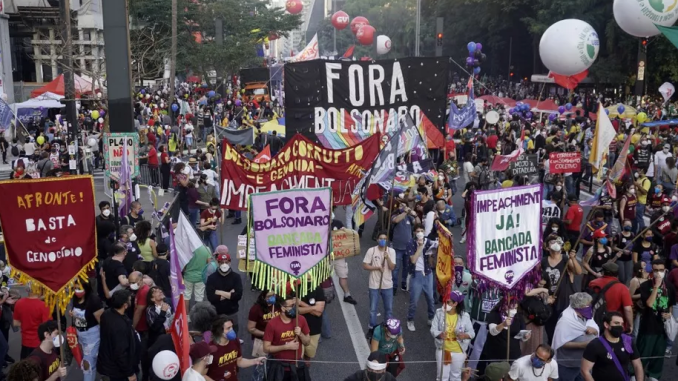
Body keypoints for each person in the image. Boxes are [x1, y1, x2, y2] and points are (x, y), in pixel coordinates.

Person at [637, 259, 675, 380]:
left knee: (658, 359)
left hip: (662, 330)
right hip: (647, 328)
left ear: (665, 270)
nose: (659, 273)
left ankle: (654, 377)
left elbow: (670, 305)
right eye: (656, 270)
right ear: (651, 271)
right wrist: (656, 287)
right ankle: (634, 376)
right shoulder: (645, 286)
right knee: (642, 357)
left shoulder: (670, 287)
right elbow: (649, 303)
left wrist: (669, 315)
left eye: (661, 270)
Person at [541, 234, 582, 343]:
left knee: (563, 329)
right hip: (550, 300)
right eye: (552, 242)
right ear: (547, 247)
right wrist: (544, 294)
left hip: (564, 300)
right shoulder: (543, 261)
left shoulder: (565, 259)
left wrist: (573, 259)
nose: (555, 244)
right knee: (550, 329)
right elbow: (538, 281)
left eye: (557, 241)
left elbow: (578, 272)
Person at [581, 312, 644, 381]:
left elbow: (637, 365)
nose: (620, 326)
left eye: (621, 324)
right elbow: (585, 370)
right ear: (606, 324)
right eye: (616, 323)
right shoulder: (595, 345)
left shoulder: (628, 341)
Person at [263, 293, 311, 379]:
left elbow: (307, 342)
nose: (295, 308)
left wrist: (300, 334)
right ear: (283, 308)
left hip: (297, 365)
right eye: (291, 305)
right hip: (280, 368)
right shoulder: (272, 324)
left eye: (295, 305)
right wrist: (286, 347)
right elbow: (266, 348)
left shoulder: (301, 319)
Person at [551, 293, 598, 381]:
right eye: (588, 305)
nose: (590, 306)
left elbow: (594, 328)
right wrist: (582, 345)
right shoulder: (565, 320)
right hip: (568, 364)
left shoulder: (587, 316)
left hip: (584, 362)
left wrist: (594, 330)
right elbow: (560, 342)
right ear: (580, 306)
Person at [430, 291, 474, 381]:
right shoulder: (439, 313)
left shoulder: (465, 316)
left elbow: (472, 333)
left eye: (448, 302)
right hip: (443, 350)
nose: (445, 304)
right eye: (444, 301)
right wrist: (439, 334)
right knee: (442, 377)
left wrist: (464, 336)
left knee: (456, 376)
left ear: (455, 304)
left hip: (458, 351)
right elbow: (433, 330)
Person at [98, 290, 141, 381]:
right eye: (129, 300)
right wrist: (130, 373)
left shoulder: (107, 314)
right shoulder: (120, 327)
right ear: (125, 305)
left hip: (108, 364)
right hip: (118, 371)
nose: (131, 301)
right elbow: (120, 353)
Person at [207, 316, 265, 380]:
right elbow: (202, 374)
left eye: (232, 327)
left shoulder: (235, 341)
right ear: (219, 331)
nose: (232, 330)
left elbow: (239, 361)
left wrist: (255, 361)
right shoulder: (210, 349)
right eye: (228, 328)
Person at [477, 302, 526, 376]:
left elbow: (522, 333)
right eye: (511, 307)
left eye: (515, 307)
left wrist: (525, 336)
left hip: (512, 353)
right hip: (495, 353)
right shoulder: (495, 314)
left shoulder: (519, 316)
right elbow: (493, 331)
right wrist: (503, 324)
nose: (514, 309)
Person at [363, 232, 396, 337]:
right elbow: (365, 265)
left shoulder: (391, 251)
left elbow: (392, 267)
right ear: (377, 240)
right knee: (373, 309)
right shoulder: (371, 251)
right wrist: (376, 268)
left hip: (387, 285)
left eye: (385, 238)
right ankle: (371, 328)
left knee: (389, 309)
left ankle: (387, 328)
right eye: (381, 238)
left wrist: (387, 258)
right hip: (374, 284)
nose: (383, 240)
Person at [405, 224, 437, 331]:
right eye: (417, 231)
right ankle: (410, 320)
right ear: (414, 233)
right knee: (414, 300)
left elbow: (437, 246)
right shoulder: (410, 243)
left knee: (430, 299)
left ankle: (431, 318)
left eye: (421, 230)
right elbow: (413, 260)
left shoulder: (428, 241)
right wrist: (420, 247)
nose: (419, 233)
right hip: (416, 274)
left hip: (428, 273)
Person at [70, 284, 104, 381]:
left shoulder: (94, 300)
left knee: (87, 364)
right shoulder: (75, 298)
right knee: (88, 361)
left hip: (92, 335)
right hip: (80, 334)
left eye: (79, 288)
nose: (77, 291)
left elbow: (101, 321)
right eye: (75, 288)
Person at [205, 253, 243, 336]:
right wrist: (230, 294)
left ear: (230, 262)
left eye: (226, 262)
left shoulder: (236, 277)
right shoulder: (211, 278)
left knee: (233, 334)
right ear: (218, 263)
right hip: (217, 313)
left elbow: (238, 295)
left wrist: (218, 292)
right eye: (221, 262)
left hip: (232, 312)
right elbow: (211, 297)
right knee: (217, 335)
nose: (224, 264)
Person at [588, 262, 633, 329]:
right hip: (613, 325)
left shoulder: (593, 283)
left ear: (603, 272)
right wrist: (630, 325)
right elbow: (628, 310)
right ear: (617, 273)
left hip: (595, 321)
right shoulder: (623, 288)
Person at [13, 290, 50, 359]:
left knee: (25, 367)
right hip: (39, 343)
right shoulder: (44, 306)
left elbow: (15, 322)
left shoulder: (19, 302)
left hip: (25, 342)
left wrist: (26, 324)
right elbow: (47, 326)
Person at [390, 200, 417, 293]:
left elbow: (417, 223)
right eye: (402, 206)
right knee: (396, 267)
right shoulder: (394, 216)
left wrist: (415, 215)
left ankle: (404, 283)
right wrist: (405, 212)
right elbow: (396, 220)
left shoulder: (409, 217)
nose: (404, 207)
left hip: (408, 247)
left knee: (406, 267)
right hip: (397, 247)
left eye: (405, 206)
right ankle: (394, 285)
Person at [298, 277, 325, 364]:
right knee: (298, 355)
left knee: (310, 352)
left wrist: (301, 303)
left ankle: (307, 359)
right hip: (298, 327)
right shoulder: (296, 288)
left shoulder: (318, 290)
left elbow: (318, 313)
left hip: (314, 328)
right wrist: (314, 308)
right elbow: (296, 310)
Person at [247, 290, 280, 357]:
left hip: (277, 339)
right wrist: (266, 334)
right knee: (261, 363)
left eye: (273, 295)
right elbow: (251, 328)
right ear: (263, 297)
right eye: (269, 296)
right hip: (262, 340)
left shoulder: (278, 305)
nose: (272, 298)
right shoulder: (256, 309)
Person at [182, 243, 211, 311]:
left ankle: (186, 315)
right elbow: (209, 264)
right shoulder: (206, 249)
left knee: (186, 296)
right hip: (201, 277)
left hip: (188, 276)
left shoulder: (186, 249)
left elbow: (183, 265)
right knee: (199, 297)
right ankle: (197, 315)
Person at [612, 219, 635, 285]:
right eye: (626, 225)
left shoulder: (633, 235)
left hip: (629, 259)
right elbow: (613, 247)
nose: (628, 226)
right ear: (622, 225)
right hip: (620, 259)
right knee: (622, 277)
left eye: (629, 225)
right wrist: (622, 251)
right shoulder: (618, 236)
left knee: (629, 277)